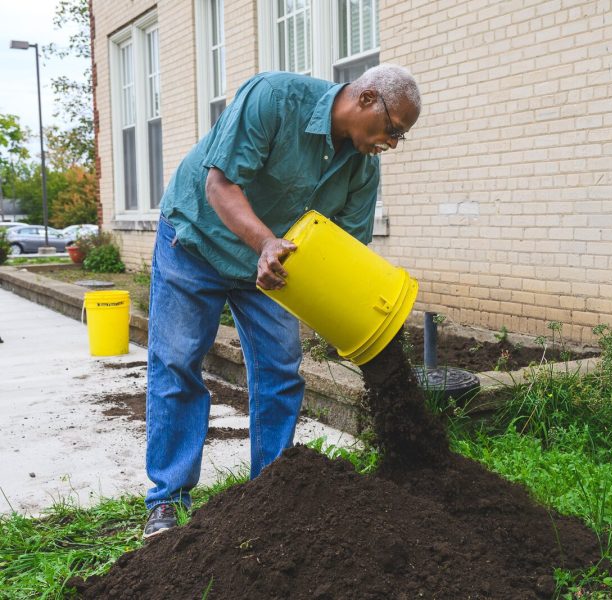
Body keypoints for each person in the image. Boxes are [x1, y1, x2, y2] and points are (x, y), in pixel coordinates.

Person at [143, 64, 421, 538]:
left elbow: (342, 259)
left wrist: (356, 323)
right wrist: (265, 244)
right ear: (367, 98)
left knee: (280, 373)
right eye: (393, 130)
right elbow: (219, 185)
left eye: (401, 138)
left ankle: (269, 492)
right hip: (196, 239)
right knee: (177, 364)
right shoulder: (273, 98)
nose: (391, 144)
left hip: (273, 269)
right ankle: (167, 499)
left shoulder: (361, 171)